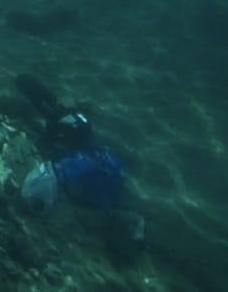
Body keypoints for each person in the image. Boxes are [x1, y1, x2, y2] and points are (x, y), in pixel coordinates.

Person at [15, 74, 145, 255]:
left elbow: (60, 172)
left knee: (55, 115)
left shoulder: (113, 175)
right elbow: (55, 173)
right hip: (76, 143)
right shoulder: (107, 183)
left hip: (80, 141)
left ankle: (27, 85)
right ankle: (27, 86)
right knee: (54, 117)